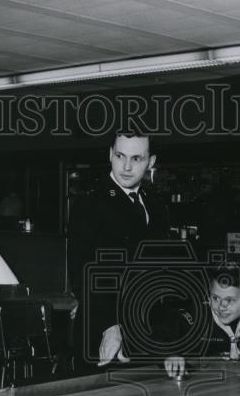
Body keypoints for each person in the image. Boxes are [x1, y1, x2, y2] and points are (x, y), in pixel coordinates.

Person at [68, 131, 169, 367]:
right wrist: (109, 324)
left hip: (147, 330)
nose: (126, 166)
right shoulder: (90, 203)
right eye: (120, 155)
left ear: (151, 162)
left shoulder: (155, 205)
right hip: (104, 331)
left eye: (136, 158)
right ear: (110, 154)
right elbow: (83, 271)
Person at [162, 261, 240, 377]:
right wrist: (170, 354)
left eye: (230, 300)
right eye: (215, 298)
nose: (221, 306)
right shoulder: (197, 313)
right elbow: (162, 334)